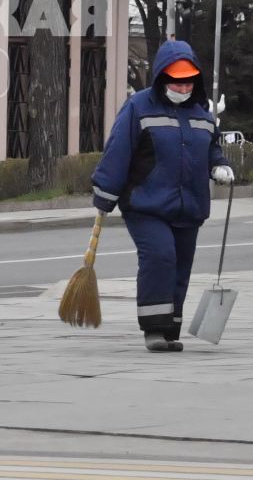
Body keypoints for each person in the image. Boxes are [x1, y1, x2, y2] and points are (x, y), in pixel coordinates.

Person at [90, 40, 234, 352]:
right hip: (146, 204)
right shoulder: (138, 107)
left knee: (181, 267)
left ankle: (170, 328)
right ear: (161, 78)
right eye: (175, 80)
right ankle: (154, 329)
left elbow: (212, 149)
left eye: (187, 81)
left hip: (189, 206)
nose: (181, 86)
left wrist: (220, 165)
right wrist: (104, 194)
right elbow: (118, 151)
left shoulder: (203, 115)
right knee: (160, 257)